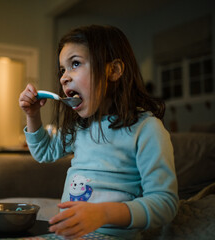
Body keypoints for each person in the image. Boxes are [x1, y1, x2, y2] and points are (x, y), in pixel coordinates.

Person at [18, 24, 178, 239]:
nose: (64, 77)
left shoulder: (147, 129)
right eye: (62, 70)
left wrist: (104, 213)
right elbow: (44, 153)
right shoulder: (80, 127)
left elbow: (164, 203)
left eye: (75, 63)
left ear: (113, 70)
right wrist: (33, 115)